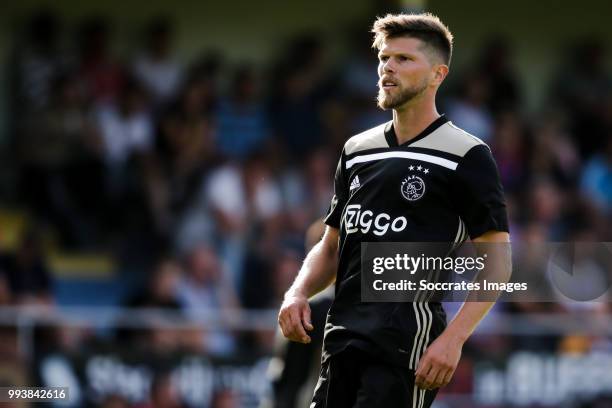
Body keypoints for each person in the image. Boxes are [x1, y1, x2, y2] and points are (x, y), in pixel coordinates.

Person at [277, 13, 511, 408]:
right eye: (384, 58)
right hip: (341, 339)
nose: (388, 68)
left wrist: (453, 340)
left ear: (438, 74)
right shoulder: (356, 150)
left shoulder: (467, 155)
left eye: (404, 59)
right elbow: (332, 246)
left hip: (405, 345)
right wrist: (297, 292)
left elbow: (497, 261)